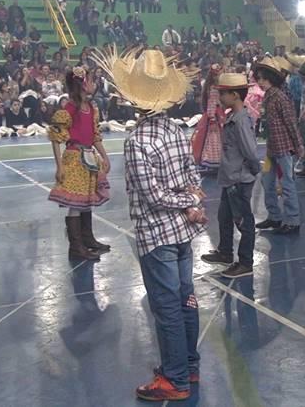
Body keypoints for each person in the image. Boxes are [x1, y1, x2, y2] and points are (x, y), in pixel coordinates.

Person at [95, 48, 207, 401]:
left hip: (157, 235)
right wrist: (192, 201)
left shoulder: (137, 141)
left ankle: (175, 379)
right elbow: (192, 174)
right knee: (186, 299)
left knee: (167, 306)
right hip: (183, 231)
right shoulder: (176, 130)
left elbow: (153, 196)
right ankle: (189, 365)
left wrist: (187, 200)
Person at [47, 67, 111, 260]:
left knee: (86, 199)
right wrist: (59, 166)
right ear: (83, 84)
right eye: (91, 80)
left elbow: (95, 136)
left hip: (89, 157)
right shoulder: (70, 109)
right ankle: (76, 246)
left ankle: (87, 239)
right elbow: (56, 137)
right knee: (76, 203)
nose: (94, 83)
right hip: (75, 158)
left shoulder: (91, 108)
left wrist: (105, 157)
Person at [200, 73, 261, 278]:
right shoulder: (232, 117)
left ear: (235, 95)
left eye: (223, 93)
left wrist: (253, 170)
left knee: (243, 221)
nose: (220, 97)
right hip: (230, 176)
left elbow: (250, 151)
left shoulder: (241, 120)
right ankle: (225, 252)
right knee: (224, 216)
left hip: (238, 178)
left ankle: (245, 262)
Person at [254, 57, 304, 234]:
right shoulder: (268, 96)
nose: (260, 82)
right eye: (259, 79)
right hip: (272, 148)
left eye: (263, 79)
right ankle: (274, 216)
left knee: (287, 184)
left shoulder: (279, 97)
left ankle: (293, 220)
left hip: (283, 148)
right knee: (267, 181)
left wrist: (299, 145)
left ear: (271, 78)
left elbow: (291, 122)